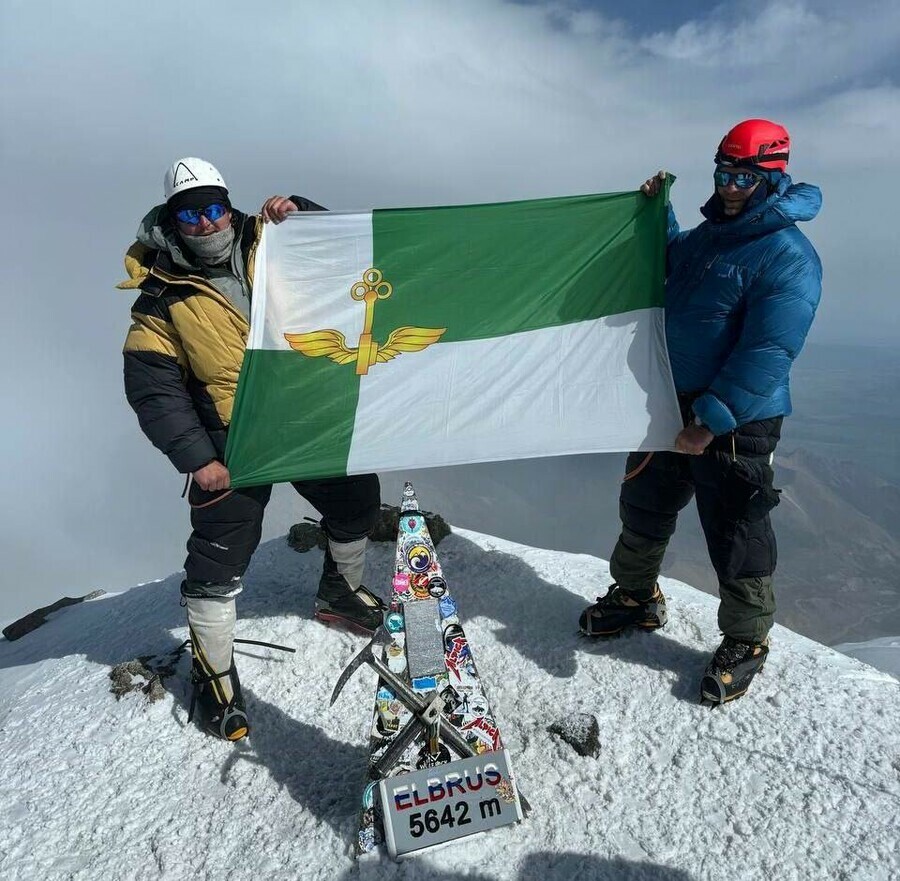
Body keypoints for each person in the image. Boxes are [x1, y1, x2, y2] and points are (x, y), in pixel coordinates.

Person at [119, 158, 384, 741]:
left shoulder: (270, 238)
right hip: (228, 439)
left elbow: (347, 259)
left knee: (357, 499)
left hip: (298, 417)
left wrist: (303, 213)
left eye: (215, 207)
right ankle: (213, 677)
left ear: (228, 204)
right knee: (218, 558)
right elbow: (153, 388)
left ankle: (339, 592)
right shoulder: (159, 300)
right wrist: (198, 460)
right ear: (172, 220)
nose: (208, 223)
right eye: (192, 213)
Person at [579, 120, 822, 704]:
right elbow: (669, 261)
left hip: (734, 419)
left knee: (736, 528)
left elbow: (770, 350)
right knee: (644, 503)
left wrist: (709, 419)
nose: (732, 187)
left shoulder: (788, 256)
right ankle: (636, 597)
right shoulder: (710, 238)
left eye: (744, 176)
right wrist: (655, 213)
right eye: (724, 173)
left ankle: (747, 640)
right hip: (668, 400)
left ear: (772, 176)